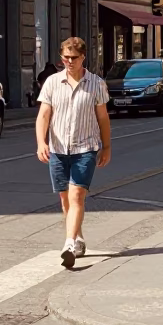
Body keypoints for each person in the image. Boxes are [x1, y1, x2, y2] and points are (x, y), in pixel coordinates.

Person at [35, 37, 111, 270]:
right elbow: (44, 115)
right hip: (58, 149)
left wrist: (106, 146)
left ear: (83, 57)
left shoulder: (96, 84)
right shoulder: (51, 82)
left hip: (85, 148)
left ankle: (68, 244)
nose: (69, 61)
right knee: (65, 200)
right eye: (65, 57)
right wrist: (41, 142)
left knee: (77, 196)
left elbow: (103, 118)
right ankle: (77, 237)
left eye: (74, 58)